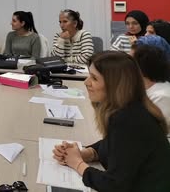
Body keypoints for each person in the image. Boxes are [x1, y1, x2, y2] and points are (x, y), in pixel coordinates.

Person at [52, 51, 170, 191]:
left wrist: (78, 164)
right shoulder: (129, 109)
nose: (86, 82)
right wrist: (85, 154)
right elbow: (114, 145)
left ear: (115, 85)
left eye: (94, 78)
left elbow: (114, 185)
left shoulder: (128, 120)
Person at [132, 45, 170, 134]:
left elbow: (157, 131)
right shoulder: (145, 90)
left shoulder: (162, 97)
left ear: (140, 68)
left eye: (130, 62)